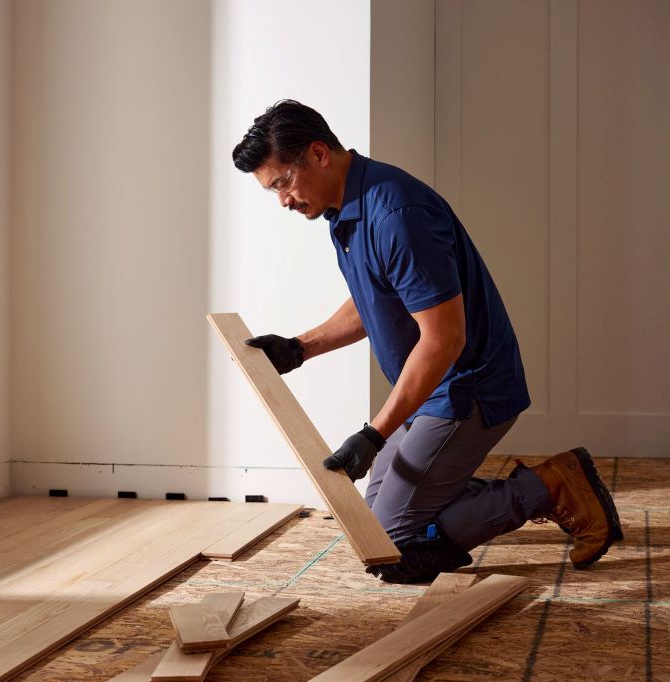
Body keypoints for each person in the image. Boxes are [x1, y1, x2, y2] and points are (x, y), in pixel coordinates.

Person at [231, 100, 622, 583]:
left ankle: (550, 486)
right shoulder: (344, 210)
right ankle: (498, 491)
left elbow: (444, 340)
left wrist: (374, 435)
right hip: (431, 391)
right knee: (370, 528)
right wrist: (300, 347)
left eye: (282, 183)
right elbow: (372, 301)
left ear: (318, 153)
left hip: (466, 390)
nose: (283, 201)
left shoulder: (397, 214)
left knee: (395, 550)